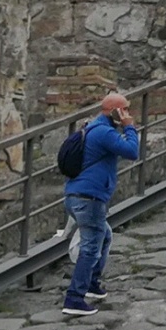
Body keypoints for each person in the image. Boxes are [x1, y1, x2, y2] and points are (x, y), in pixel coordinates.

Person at [60, 91, 141, 317]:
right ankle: (74, 298)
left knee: (103, 235)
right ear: (114, 111)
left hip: (76, 196)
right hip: (90, 198)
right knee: (90, 246)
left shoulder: (92, 127)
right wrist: (129, 127)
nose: (127, 113)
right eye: (124, 109)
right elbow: (132, 152)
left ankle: (93, 284)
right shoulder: (104, 132)